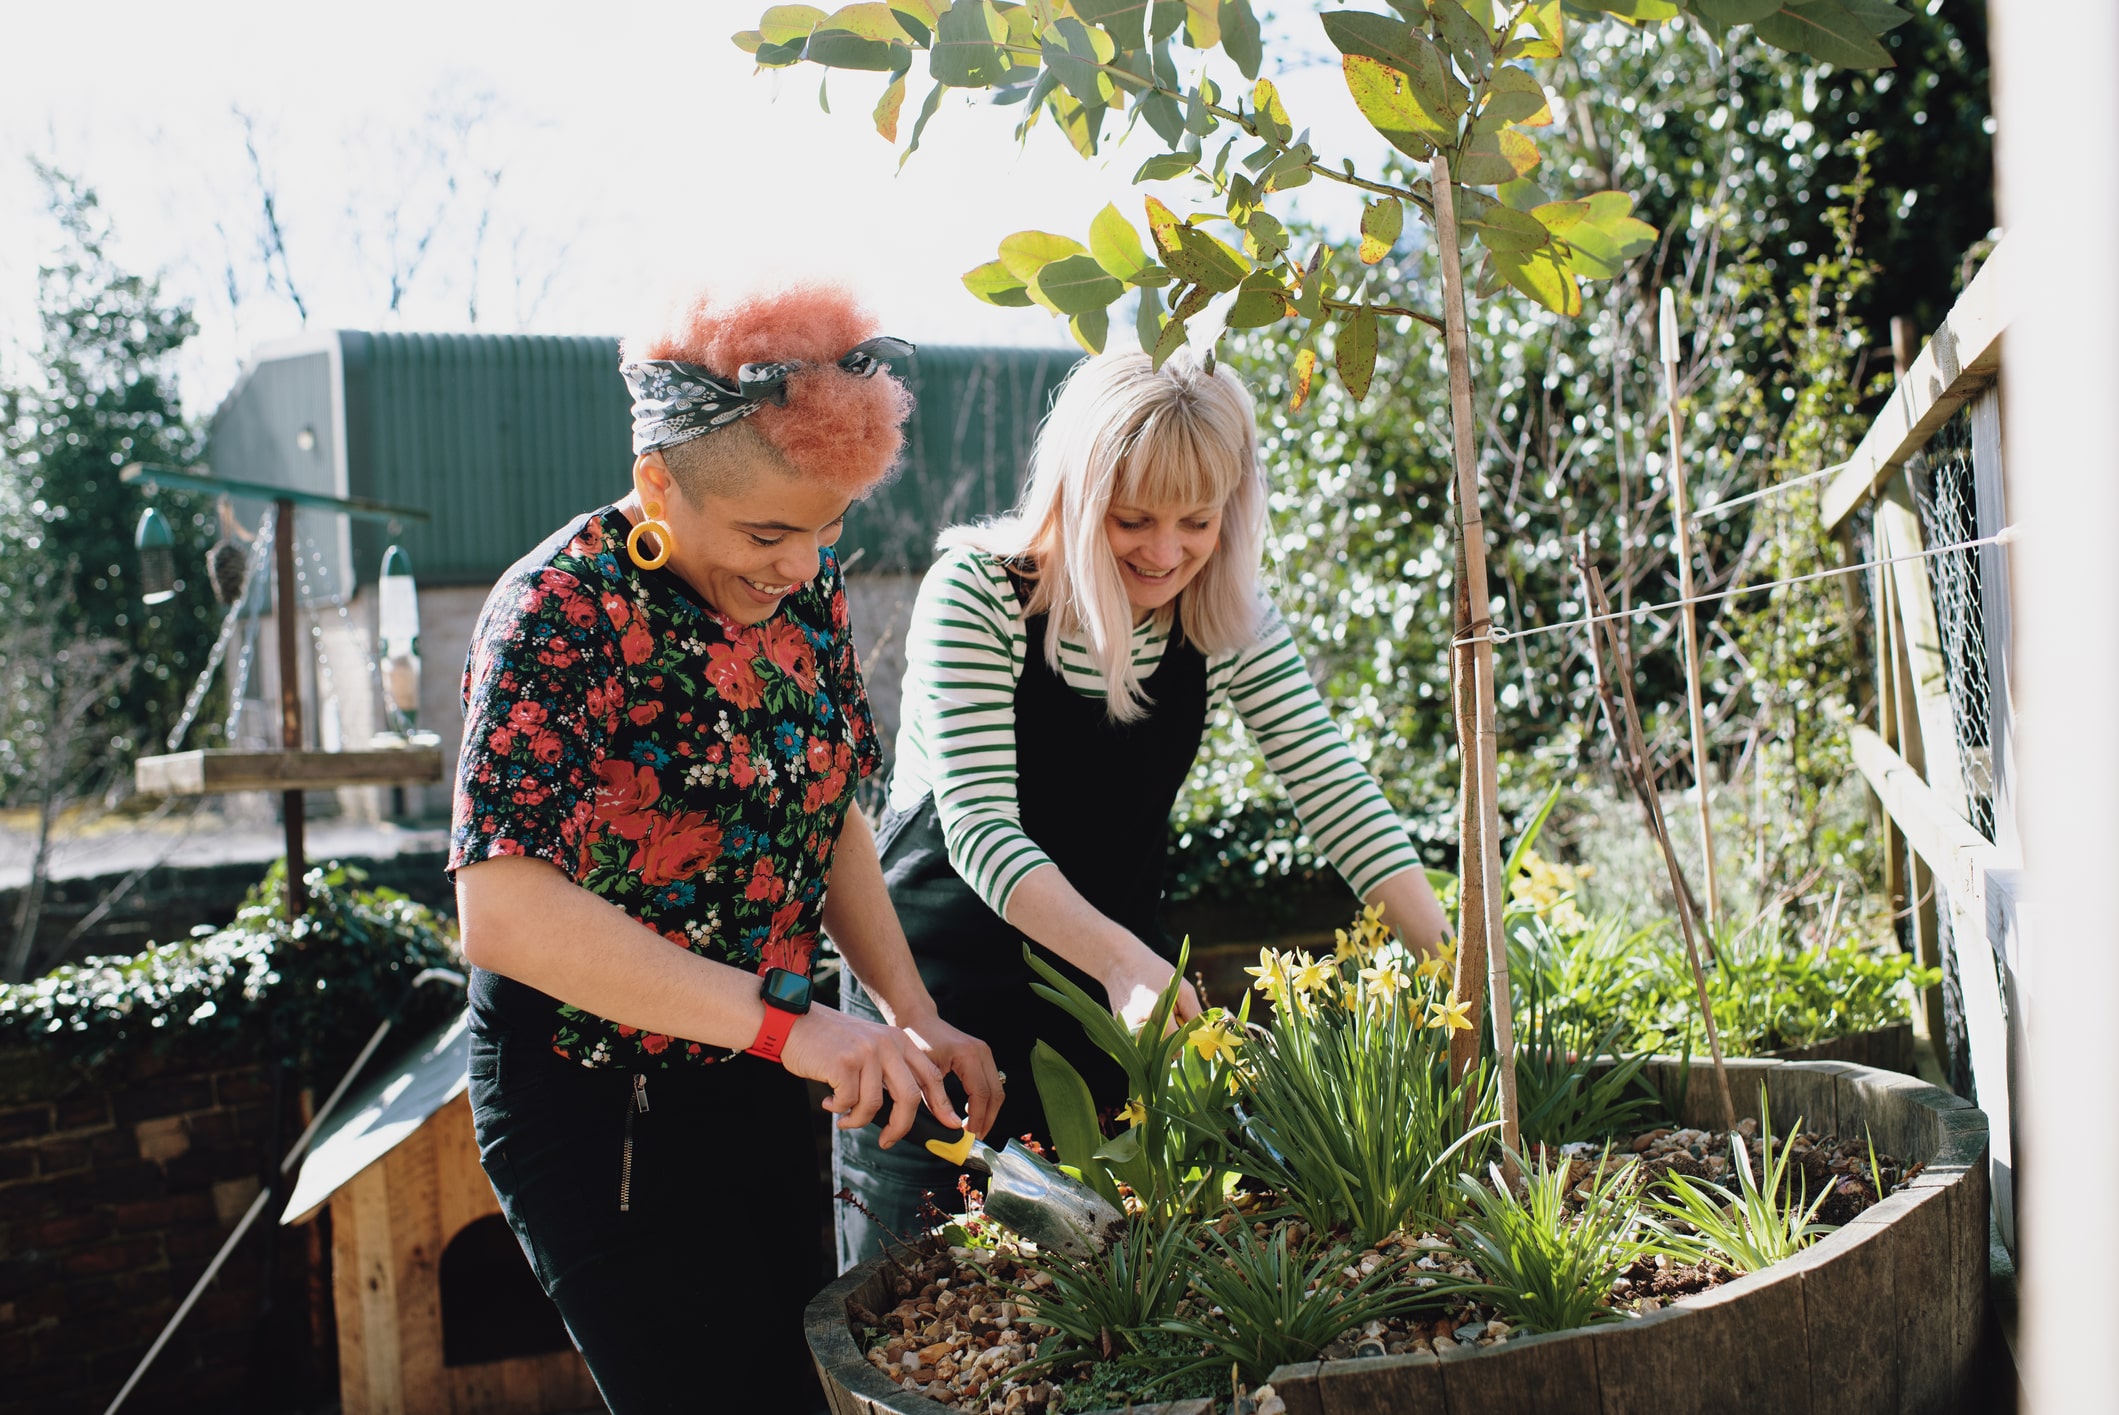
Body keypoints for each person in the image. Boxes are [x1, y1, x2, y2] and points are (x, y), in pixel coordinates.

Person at [450, 283, 1002, 1414]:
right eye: (766, 533)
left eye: (826, 527)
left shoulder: (806, 596)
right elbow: (502, 911)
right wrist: (791, 1025)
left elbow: (830, 810)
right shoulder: (556, 609)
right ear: (659, 483)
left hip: (759, 1070)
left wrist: (907, 1011)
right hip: (595, 1099)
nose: (800, 564)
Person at [833, 347, 1452, 1268]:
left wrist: (1453, 961)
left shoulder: (1220, 613)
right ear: (1077, 498)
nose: (1164, 552)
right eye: (1131, 519)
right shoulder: (982, 594)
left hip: (1111, 1010)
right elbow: (978, 829)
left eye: (1197, 521)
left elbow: (1334, 789)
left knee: (1118, 1295)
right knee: (926, 1302)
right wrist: (1127, 960)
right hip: (941, 1007)